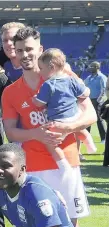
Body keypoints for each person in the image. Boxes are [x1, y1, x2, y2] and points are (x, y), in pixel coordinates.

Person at [2, 27, 96, 227]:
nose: (25, 55)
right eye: (19, 51)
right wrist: (37, 135)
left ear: (40, 48)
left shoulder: (65, 76)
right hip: (33, 169)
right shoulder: (11, 91)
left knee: (72, 225)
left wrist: (68, 126)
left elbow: (89, 113)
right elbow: (11, 132)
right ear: (14, 54)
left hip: (66, 162)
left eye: (30, 49)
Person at [32, 48, 95, 180]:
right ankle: (90, 144)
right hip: (74, 116)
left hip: (58, 121)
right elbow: (85, 93)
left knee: (51, 143)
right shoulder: (71, 80)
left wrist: (35, 98)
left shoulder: (48, 84)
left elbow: (39, 103)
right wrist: (87, 90)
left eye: (41, 68)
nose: (40, 72)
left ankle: (63, 163)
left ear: (51, 67)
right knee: (80, 129)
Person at [83, 61, 107, 143]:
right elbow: (83, 86)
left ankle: (104, 138)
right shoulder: (89, 77)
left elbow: (104, 89)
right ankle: (86, 138)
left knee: (99, 120)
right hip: (89, 100)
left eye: (92, 67)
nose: (90, 68)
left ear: (97, 67)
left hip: (97, 101)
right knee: (88, 119)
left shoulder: (101, 77)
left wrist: (98, 100)